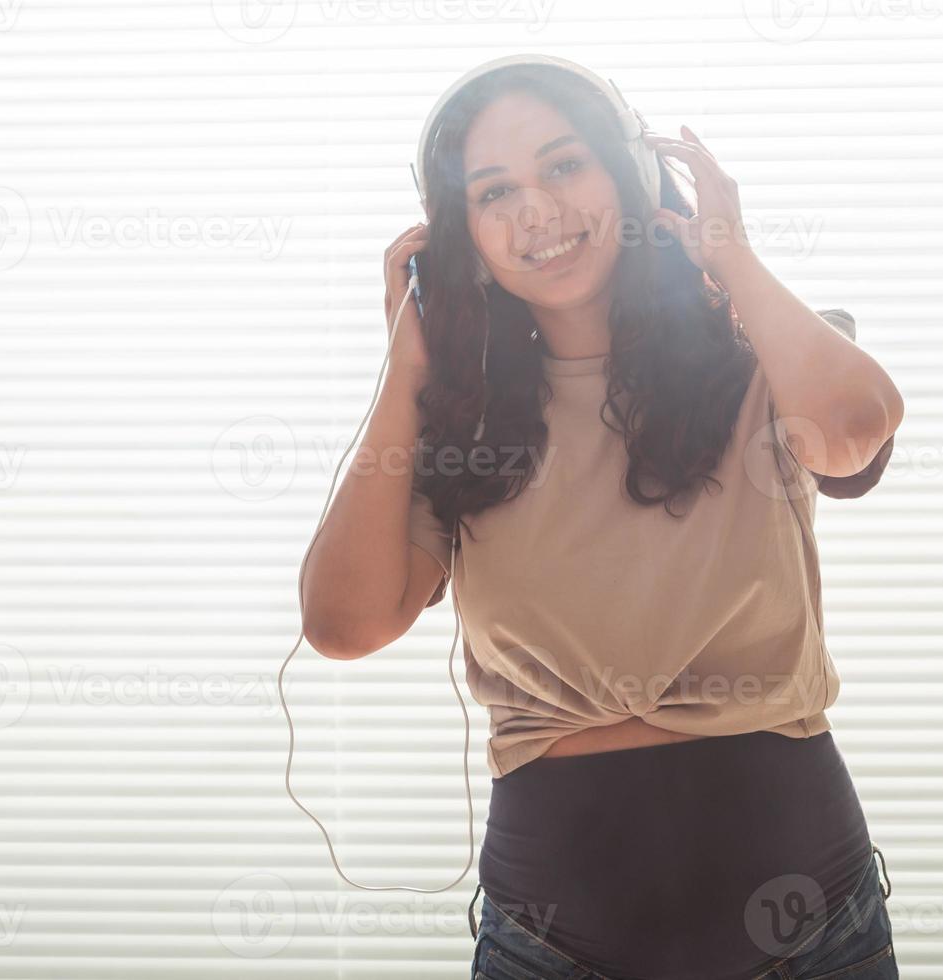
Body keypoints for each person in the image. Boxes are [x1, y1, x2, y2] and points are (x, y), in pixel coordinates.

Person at [300, 56, 904, 980]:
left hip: (810, 932)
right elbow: (342, 626)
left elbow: (856, 430)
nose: (536, 210)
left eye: (564, 166)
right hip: (552, 950)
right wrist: (409, 369)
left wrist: (731, 257)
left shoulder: (760, 357)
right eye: (496, 191)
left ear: (626, 178)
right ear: (463, 237)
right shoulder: (460, 430)